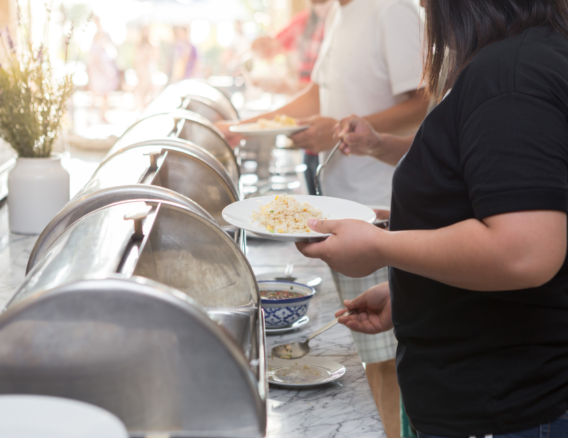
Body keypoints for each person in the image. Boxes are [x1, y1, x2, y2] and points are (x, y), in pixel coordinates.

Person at [296, 1, 568, 437]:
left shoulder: (510, 75)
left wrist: (378, 246)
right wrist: (414, 291)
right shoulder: (516, 59)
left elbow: (525, 251)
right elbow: (480, 196)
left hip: (507, 409)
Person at [220, 2, 427, 437]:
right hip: (340, 210)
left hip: (383, 209)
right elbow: (320, 93)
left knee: (391, 366)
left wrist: (342, 127)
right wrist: (245, 125)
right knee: (372, 359)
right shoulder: (340, 12)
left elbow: (423, 100)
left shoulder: (390, 9)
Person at [87, 16, 119, 123]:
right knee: (95, 93)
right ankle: (90, 116)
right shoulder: (94, 37)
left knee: (105, 94)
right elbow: (92, 54)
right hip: (97, 69)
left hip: (105, 68)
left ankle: (103, 115)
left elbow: (112, 50)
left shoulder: (106, 35)